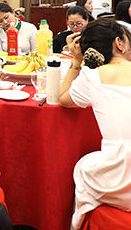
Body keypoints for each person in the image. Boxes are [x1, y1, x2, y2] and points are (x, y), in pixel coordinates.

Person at [59, 20, 131, 229]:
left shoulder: (92, 76)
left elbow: (63, 99)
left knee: (83, 166)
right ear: (119, 43)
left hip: (121, 176)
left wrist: (76, 62)